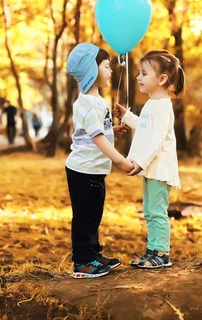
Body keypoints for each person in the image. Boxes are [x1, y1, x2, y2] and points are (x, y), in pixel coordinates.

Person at [65, 42, 134, 279]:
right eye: (106, 66)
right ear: (92, 71)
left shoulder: (95, 102)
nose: (111, 71)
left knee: (94, 214)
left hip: (92, 170)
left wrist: (113, 129)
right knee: (85, 216)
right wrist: (121, 161)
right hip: (84, 170)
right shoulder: (88, 103)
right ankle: (82, 262)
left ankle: (93, 253)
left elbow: (97, 131)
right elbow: (98, 139)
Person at [114, 50, 185, 269]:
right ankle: (152, 250)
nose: (138, 77)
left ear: (162, 79)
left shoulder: (163, 106)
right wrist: (127, 116)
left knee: (157, 211)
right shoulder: (153, 104)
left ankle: (162, 253)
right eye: (138, 73)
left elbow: (156, 140)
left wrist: (140, 162)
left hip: (158, 168)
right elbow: (144, 127)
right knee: (149, 211)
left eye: (144, 73)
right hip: (150, 168)